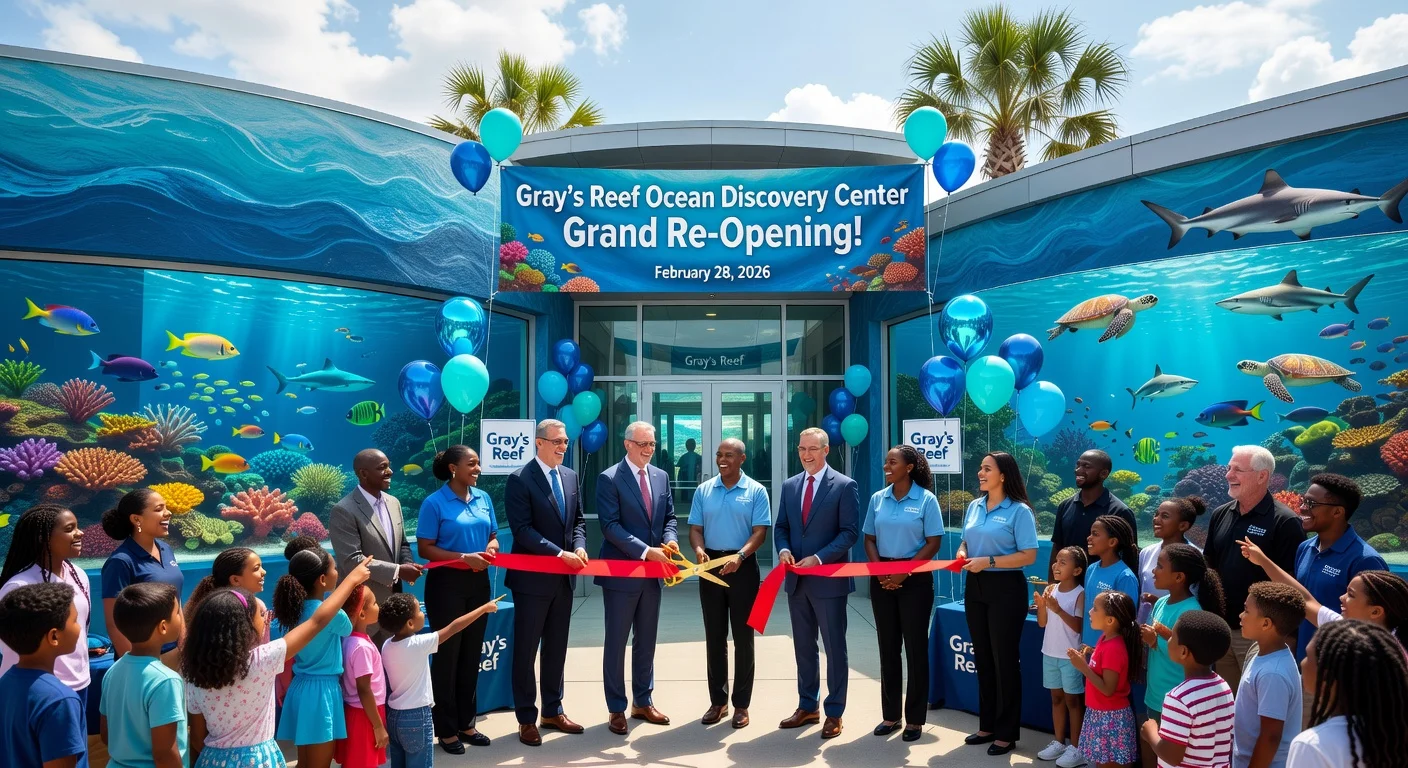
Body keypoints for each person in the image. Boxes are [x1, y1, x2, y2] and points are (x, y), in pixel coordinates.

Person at [182, 560, 371, 768]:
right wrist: (352, 580)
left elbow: (197, 738)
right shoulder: (261, 661)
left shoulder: (196, 676)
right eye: (261, 614)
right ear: (245, 625)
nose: (265, 618)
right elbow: (317, 621)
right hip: (256, 761)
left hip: (212, 760)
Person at [504, 418, 588, 747]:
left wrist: (578, 546)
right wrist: (558, 554)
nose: (563, 447)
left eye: (565, 441)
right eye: (557, 441)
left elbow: (577, 521)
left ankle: (553, 710)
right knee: (526, 652)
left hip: (563, 582)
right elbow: (522, 530)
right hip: (532, 583)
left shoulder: (569, 476)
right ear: (539, 443)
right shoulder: (520, 479)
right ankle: (526, 718)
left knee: (556, 649)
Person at [775, 427, 860, 740]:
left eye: (812, 449)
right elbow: (781, 527)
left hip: (828, 582)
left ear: (826, 450)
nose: (806, 455)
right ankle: (807, 706)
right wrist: (783, 550)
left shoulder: (844, 485)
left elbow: (850, 532)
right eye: (801, 449)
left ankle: (834, 712)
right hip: (797, 581)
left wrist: (820, 558)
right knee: (803, 647)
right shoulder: (790, 486)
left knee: (834, 649)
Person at [415, 445, 500, 752]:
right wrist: (463, 557)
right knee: (448, 656)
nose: (478, 469)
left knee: (471, 654)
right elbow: (425, 548)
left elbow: (493, 535)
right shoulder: (434, 503)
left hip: (478, 584)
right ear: (453, 468)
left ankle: (467, 723)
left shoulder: (484, 498)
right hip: (446, 586)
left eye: (478, 463)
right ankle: (446, 729)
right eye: (472, 463)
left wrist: (491, 548)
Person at [956, 451, 1039, 756]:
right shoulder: (975, 506)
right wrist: (963, 551)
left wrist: (989, 561)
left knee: (1004, 660)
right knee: (983, 657)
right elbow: (966, 540)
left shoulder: (1019, 511)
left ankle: (1006, 733)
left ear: (1003, 475)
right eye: (980, 468)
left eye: (987, 469)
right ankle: (987, 725)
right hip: (975, 586)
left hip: (1005, 588)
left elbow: (1029, 555)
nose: (980, 473)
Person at [597, 420, 677, 736]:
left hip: (652, 576)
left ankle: (643, 701)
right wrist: (646, 551)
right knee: (617, 642)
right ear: (627, 444)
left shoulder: (661, 476)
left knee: (646, 641)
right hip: (622, 575)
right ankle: (616, 708)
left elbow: (669, 517)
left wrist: (670, 540)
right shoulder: (609, 478)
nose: (648, 450)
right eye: (643, 444)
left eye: (652, 444)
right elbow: (610, 526)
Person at [1202, 445, 1304, 690]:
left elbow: (1293, 586)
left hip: (1262, 635)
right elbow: (1210, 566)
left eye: (1238, 470)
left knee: (1258, 704)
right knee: (1227, 703)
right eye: (1229, 468)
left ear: (1262, 476)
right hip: (1222, 629)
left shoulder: (1286, 521)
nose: (1228, 475)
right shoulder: (1220, 514)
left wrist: (1287, 636)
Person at [687, 437, 770, 729]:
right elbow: (695, 529)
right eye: (719, 454)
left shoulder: (756, 491)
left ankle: (741, 705)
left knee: (744, 638)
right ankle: (718, 702)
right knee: (714, 636)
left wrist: (740, 555)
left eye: (729, 455)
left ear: (742, 459)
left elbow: (760, 532)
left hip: (743, 567)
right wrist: (699, 549)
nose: (722, 460)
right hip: (711, 568)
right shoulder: (704, 490)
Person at [863, 445, 942, 742]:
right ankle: (891, 716)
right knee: (888, 648)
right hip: (882, 579)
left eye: (892, 462)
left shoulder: (926, 500)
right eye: (886, 461)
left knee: (915, 650)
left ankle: (915, 720)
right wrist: (879, 571)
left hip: (915, 581)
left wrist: (904, 572)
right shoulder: (877, 499)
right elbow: (869, 538)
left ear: (909, 467)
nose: (887, 466)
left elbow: (933, 543)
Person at [379, 593, 499, 768]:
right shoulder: (419, 644)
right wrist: (484, 609)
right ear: (410, 623)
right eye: (419, 611)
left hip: (394, 717)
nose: (423, 613)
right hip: (417, 717)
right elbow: (454, 627)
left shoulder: (386, 645)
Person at [0, 504, 95, 709]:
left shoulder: (79, 575)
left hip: (79, 681)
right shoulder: (19, 587)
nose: (80, 533)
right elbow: (10, 644)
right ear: (43, 538)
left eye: (77, 526)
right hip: (35, 690)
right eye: (69, 529)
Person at [1242, 536, 1408, 652]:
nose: (1341, 597)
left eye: (1350, 595)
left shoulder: (1390, 658)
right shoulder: (1344, 627)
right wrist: (1262, 560)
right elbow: (1305, 599)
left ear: (1376, 611)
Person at [330, 448, 423, 646]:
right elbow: (352, 561)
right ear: (363, 473)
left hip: (395, 613)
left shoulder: (394, 503)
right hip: (364, 614)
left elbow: (402, 543)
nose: (390, 471)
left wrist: (407, 564)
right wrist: (398, 571)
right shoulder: (343, 510)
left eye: (389, 466)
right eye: (382, 467)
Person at [1287, 474, 1386, 658]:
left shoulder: (1366, 560)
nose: (1302, 507)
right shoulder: (1304, 548)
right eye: (1303, 500)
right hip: (1304, 663)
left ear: (1338, 512)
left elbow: (1377, 628)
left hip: (1342, 665)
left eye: (1311, 503)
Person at [272, 548, 354, 768]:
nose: (337, 572)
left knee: (304, 763)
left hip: (300, 686)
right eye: (334, 568)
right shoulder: (332, 614)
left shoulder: (293, 609)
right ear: (322, 579)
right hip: (321, 692)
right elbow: (348, 629)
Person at [1142, 544, 1227, 753]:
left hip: (1178, 699)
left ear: (1179, 577)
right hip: (1155, 695)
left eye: (1160, 566)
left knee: (1169, 754)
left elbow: (1188, 654)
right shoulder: (1160, 603)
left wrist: (1155, 642)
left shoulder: (1191, 611)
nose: (1153, 570)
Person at [1289, 620, 1408, 768]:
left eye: (1307, 656)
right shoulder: (1396, 736)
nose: (1302, 662)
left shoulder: (1312, 746)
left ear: (1326, 677)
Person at [0, 582, 88, 768]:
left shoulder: (4, 683)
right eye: (75, 620)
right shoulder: (59, 701)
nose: (80, 628)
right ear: (54, 636)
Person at [99, 582, 186, 768]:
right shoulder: (166, 681)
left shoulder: (112, 671)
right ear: (163, 627)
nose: (181, 616)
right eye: (177, 613)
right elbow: (165, 754)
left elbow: (106, 735)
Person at [1140, 610, 1236, 768]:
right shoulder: (1224, 688)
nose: (1168, 640)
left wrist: (1151, 734)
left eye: (1172, 637)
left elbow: (1172, 756)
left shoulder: (1178, 698)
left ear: (1183, 651)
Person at [100, 489, 183, 657]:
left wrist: (184, 645)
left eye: (166, 507)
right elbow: (114, 623)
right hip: (143, 659)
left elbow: (176, 602)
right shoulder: (121, 562)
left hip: (175, 653)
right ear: (136, 519)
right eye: (159, 509)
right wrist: (136, 665)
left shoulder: (166, 549)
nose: (168, 513)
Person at [1233, 582, 1304, 768]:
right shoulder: (1262, 653)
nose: (1241, 616)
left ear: (1266, 623)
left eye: (1246, 611)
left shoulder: (1273, 673)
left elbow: (1271, 736)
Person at [1069, 591, 1142, 768]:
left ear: (1110, 620)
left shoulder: (1114, 648)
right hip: (1100, 715)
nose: (1090, 611)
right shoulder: (1105, 639)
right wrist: (1092, 653)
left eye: (1095, 608)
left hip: (1110, 719)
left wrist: (1083, 667)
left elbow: (1108, 689)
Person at [1035, 546, 1087, 768]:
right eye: (1056, 561)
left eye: (1063, 563)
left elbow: (1078, 627)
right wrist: (1042, 607)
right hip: (1049, 653)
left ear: (1077, 571)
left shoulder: (1080, 594)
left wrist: (1057, 609)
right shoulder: (1050, 589)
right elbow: (1042, 623)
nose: (1056, 565)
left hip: (1070, 657)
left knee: (1073, 701)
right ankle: (1059, 742)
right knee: (1056, 698)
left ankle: (1077, 748)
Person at [1050, 450, 1136, 572]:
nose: (1078, 470)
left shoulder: (1120, 511)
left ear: (1104, 474)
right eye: (1078, 465)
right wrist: (1052, 581)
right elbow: (1057, 546)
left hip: (1103, 583)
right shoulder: (1065, 506)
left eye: (1086, 466)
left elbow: (1129, 556)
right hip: (1067, 583)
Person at [336, 586, 387, 768]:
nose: (378, 606)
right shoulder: (361, 647)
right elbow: (364, 689)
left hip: (363, 711)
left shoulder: (351, 640)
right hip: (365, 715)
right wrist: (378, 726)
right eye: (374, 603)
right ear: (362, 614)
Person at [1139, 496, 1206, 624]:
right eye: (1156, 514)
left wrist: (1159, 603)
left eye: (1165, 516)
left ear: (1183, 525)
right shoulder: (1146, 553)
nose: (1156, 519)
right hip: (1145, 628)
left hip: (1179, 628)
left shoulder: (1196, 557)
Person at [183, 547, 269, 642]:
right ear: (235, 580)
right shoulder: (255, 606)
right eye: (256, 568)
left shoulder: (207, 608)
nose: (264, 572)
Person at [1084, 514, 1141, 650]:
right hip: (1087, 646)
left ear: (1112, 542)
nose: (1089, 538)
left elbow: (1126, 621)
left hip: (1110, 651)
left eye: (1095, 534)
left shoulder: (1125, 577)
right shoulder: (1091, 569)